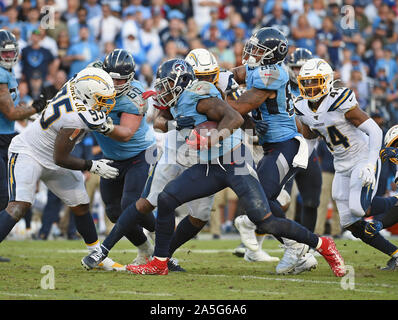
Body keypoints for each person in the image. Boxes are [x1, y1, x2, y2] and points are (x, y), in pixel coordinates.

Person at [123, 58, 345, 277]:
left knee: (264, 220)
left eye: (167, 83)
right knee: (166, 199)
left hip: (234, 160)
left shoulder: (200, 95)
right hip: (210, 165)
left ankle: (322, 244)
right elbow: (160, 122)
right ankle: (160, 262)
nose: (163, 88)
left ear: (181, 82)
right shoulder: (178, 100)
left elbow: (235, 117)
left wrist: (211, 139)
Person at [0, 66, 123, 271]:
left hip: (55, 153)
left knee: (81, 204)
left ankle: (96, 255)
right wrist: (92, 165)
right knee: (19, 206)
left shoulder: (76, 84)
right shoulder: (76, 117)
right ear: (87, 95)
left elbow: (89, 72)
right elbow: (61, 158)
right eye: (101, 99)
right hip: (30, 152)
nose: (106, 103)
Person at [227, 27, 319, 275]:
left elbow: (239, 107)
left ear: (272, 54)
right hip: (272, 147)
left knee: (261, 204)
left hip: (285, 144)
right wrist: (220, 78)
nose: (252, 52)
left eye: (259, 50)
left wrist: (216, 96)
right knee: (263, 202)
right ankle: (299, 248)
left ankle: (298, 248)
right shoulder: (258, 69)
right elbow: (235, 74)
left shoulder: (273, 73)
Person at [294, 58, 398, 271]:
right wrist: (301, 159)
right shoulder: (302, 106)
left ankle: (395, 200)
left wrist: (371, 162)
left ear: (326, 81)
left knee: (358, 208)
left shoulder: (340, 101)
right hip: (340, 163)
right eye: (307, 82)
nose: (310, 87)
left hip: (361, 157)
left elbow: (375, 130)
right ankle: (395, 253)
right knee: (350, 223)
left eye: (315, 82)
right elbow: (310, 137)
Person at [91, 49, 157, 265]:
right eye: (112, 79)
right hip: (111, 156)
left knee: (131, 203)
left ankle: (161, 231)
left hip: (140, 153)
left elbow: (126, 135)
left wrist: (102, 124)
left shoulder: (134, 97)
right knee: (113, 211)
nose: (116, 84)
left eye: (121, 80)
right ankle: (145, 248)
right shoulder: (91, 79)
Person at [0, 29, 45, 262]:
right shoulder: (1, 74)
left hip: (6, 137)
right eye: (4, 53)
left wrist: (36, 115)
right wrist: (36, 108)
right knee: (4, 194)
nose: (8, 57)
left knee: (5, 195)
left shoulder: (8, 72)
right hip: (0, 137)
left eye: (11, 53)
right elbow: (9, 111)